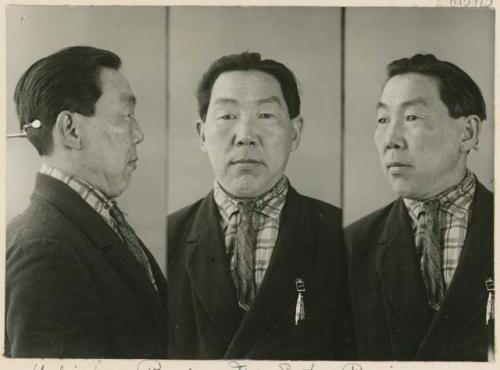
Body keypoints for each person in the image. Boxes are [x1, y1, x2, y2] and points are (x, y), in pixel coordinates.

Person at [167, 52, 353, 359]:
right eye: (227, 116)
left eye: (265, 116)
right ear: (201, 135)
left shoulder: (345, 236)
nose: (245, 137)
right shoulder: (166, 238)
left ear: (295, 132)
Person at [6, 46, 168, 358]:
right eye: (126, 115)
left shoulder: (79, 224)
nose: (139, 135)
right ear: (71, 130)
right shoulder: (45, 247)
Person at [345, 54, 493, 361]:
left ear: (467, 133)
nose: (391, 140)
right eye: (383, 120)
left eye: (412, 118)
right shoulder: (350, 247)